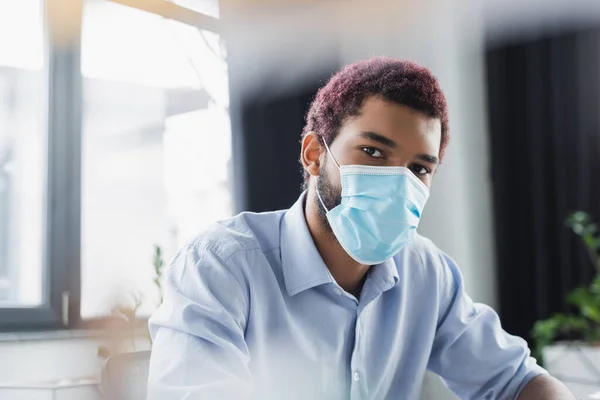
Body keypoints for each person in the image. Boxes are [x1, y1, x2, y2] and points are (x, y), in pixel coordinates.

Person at [147, 57, 574, 399]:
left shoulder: (427, 274)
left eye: (419, 169)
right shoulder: (221, 268)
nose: (397, 182)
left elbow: (516, 381)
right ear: (314, 155)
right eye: (373, 152)